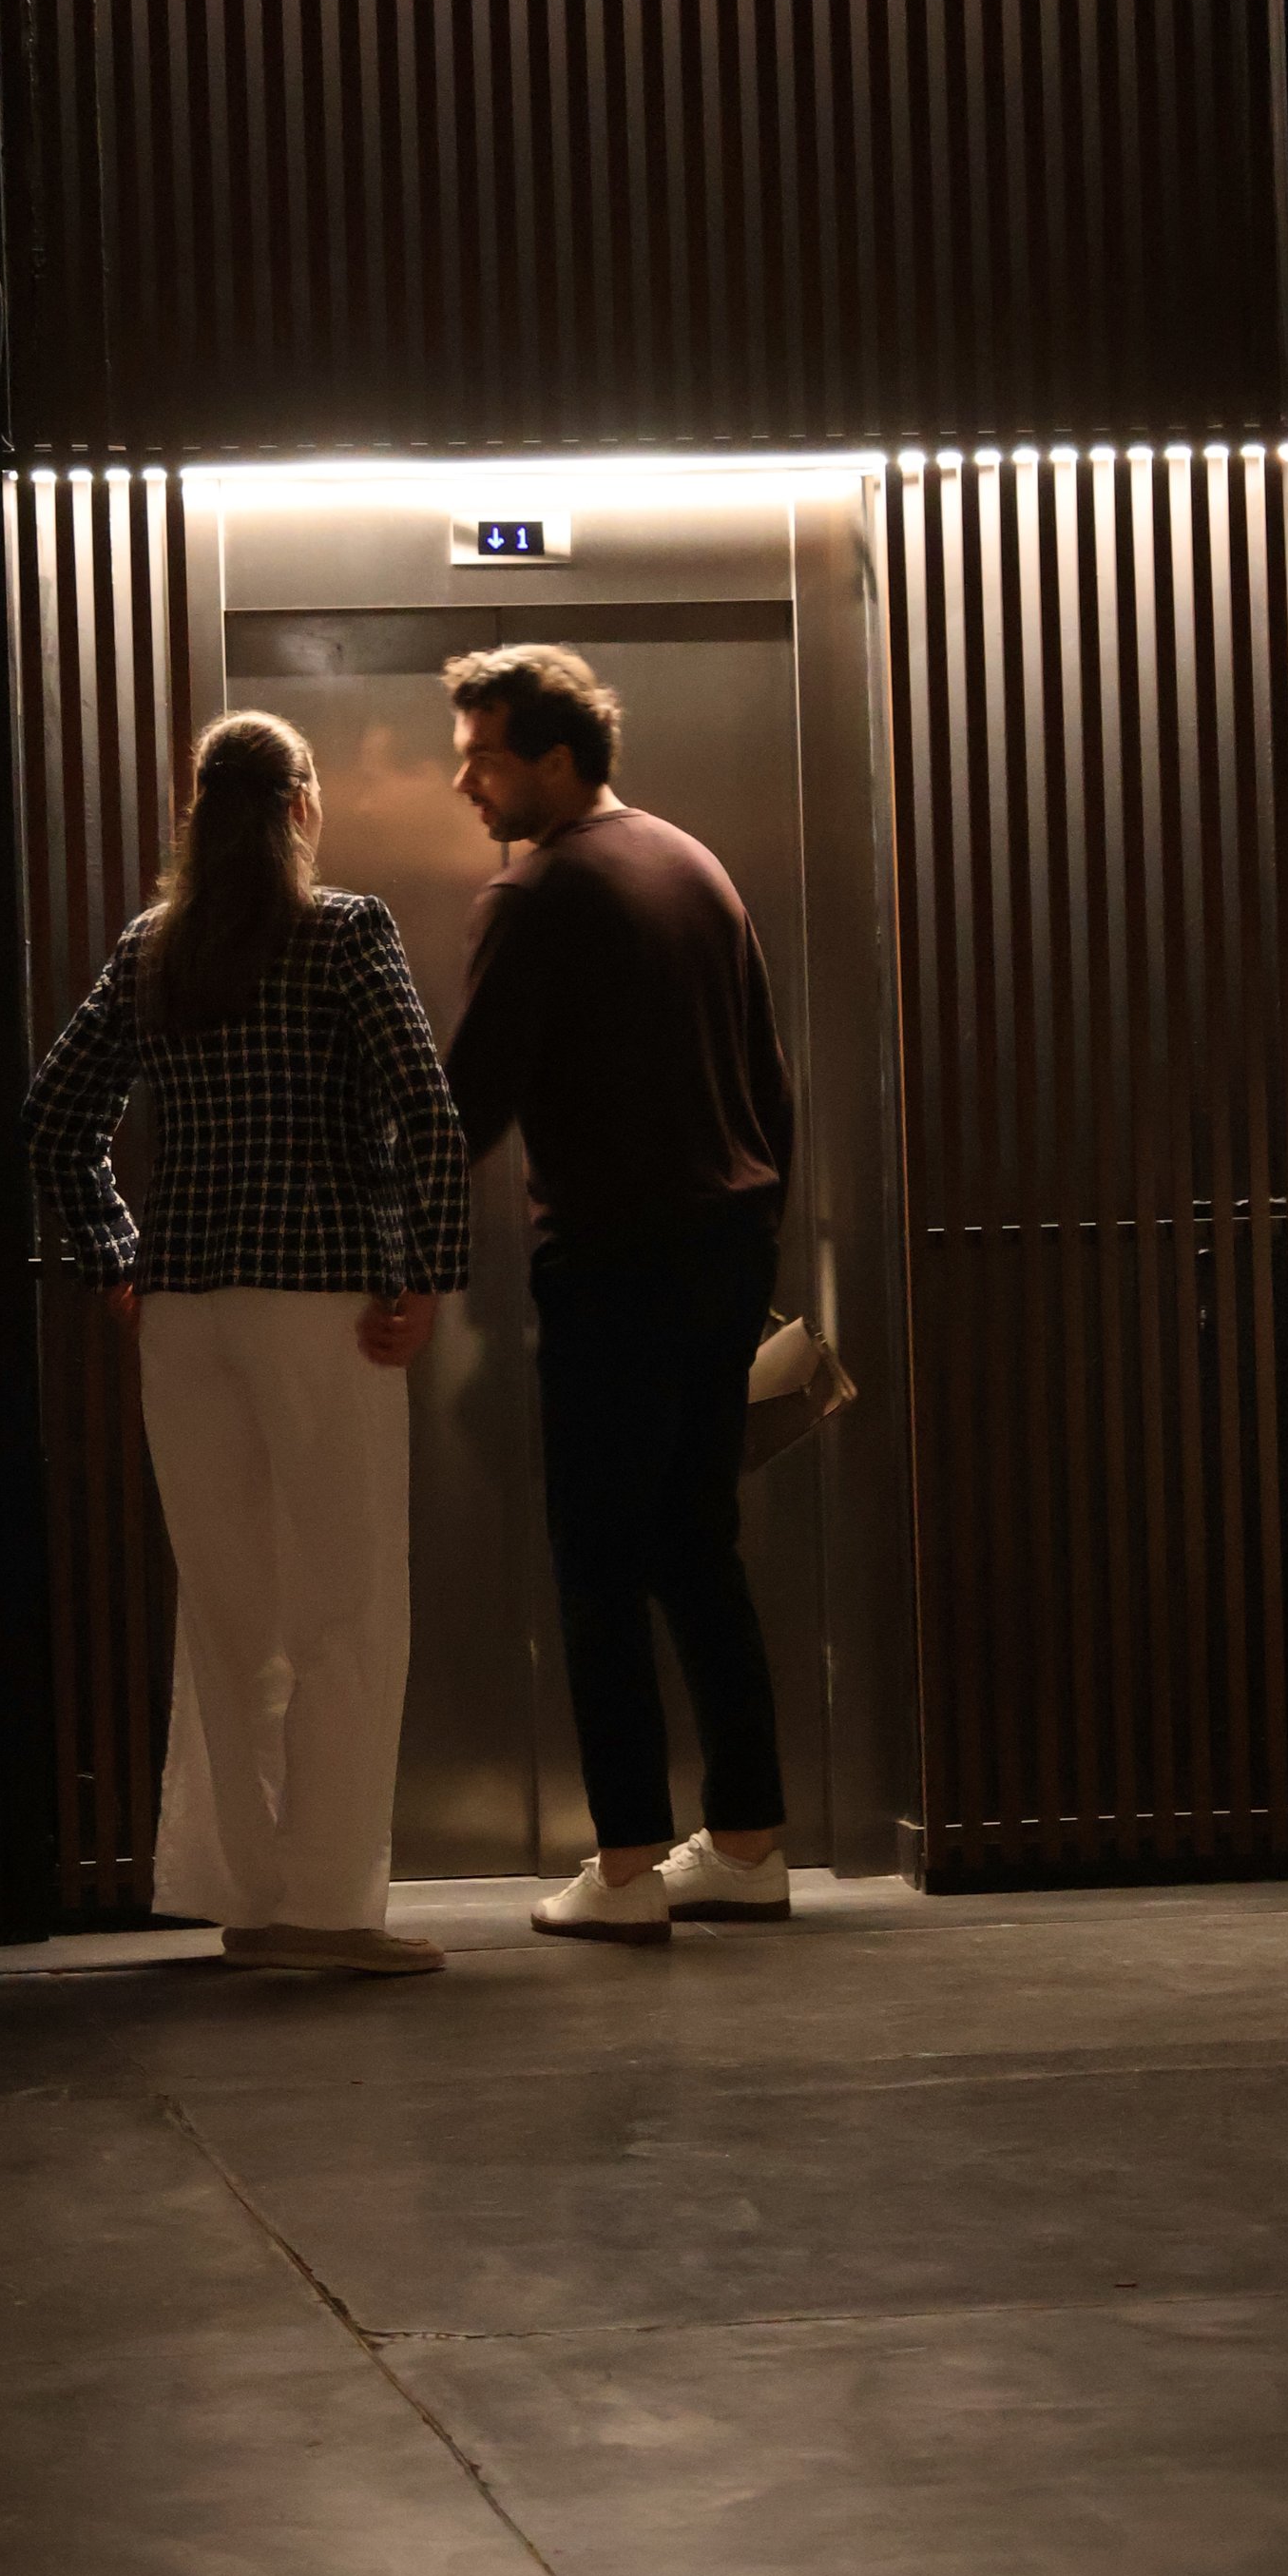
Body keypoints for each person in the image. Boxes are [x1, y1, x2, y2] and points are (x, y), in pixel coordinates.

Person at [24, 710, 470, 1978]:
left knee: (230, 1611)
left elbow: (54, 1118)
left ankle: (252, 1895)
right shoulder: (343, 931)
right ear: (302, 805)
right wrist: (426, 1275)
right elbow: (424, 1111)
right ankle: (329, 1913)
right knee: (347, 1602)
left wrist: (120, 1257)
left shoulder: (152, 950)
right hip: (319, 1302)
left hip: (185, 1314)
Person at [442, 647, 796, 1946]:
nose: (461, 779)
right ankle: (748, 1841)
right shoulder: (694, 864)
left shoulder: (535, 893)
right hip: (724, 1249)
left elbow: (466, 1106)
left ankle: (630, 1858)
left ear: (553, 757)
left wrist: (396, 1250)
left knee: (595, 1561)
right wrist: (759, 1228)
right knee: (697, 1545)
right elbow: (770, 1073)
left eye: (481, 754)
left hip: (613, 1266)